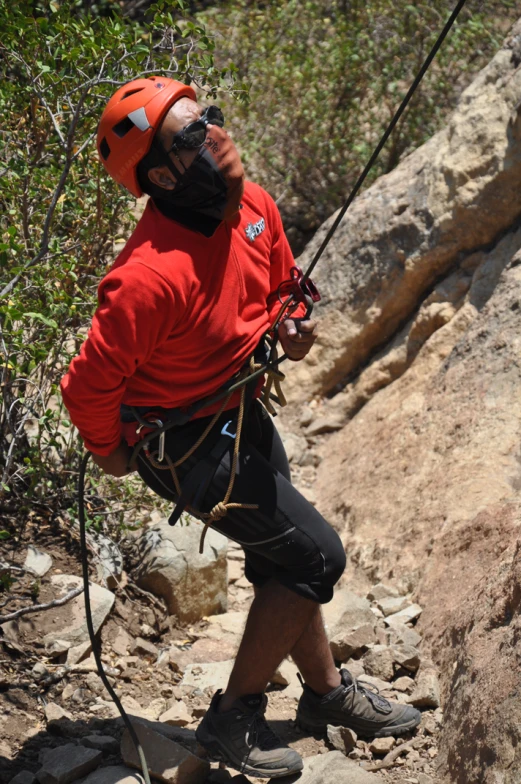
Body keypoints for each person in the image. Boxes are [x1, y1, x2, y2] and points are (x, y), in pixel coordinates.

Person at [61, 76, 421, 779]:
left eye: (211, 119)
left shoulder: (249, 204)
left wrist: (291, 325)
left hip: (239, 408)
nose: (216, 137)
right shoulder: (145, 279)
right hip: (183, 442)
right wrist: (108, 451)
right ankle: (233, 719)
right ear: (161, 175)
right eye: (194, 135)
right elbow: (86, 385)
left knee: (284, 557)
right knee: (315, 557)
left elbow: (280, 282)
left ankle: (325, 696)